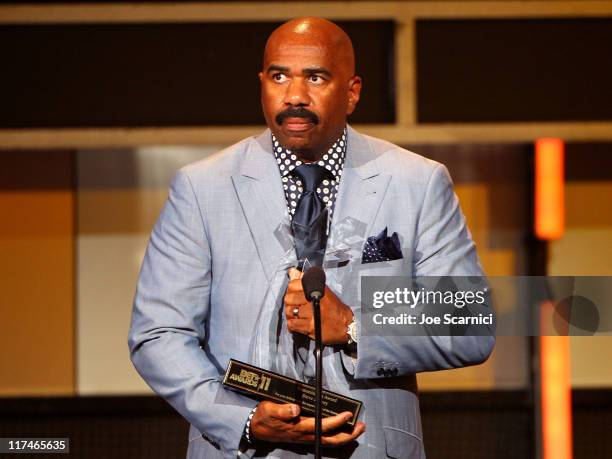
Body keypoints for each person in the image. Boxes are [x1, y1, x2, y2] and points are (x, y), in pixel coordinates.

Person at [128, 17, 495, 459]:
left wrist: (356, 326)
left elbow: (468, 323)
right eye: (279, 76)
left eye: (316, 77)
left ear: (353, 91)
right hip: (244, 449)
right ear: (261, 83)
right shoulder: (202, 187)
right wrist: (240, 419)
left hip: (371, 448)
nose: (294, 96)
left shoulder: (416, 182)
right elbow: (159, 333)